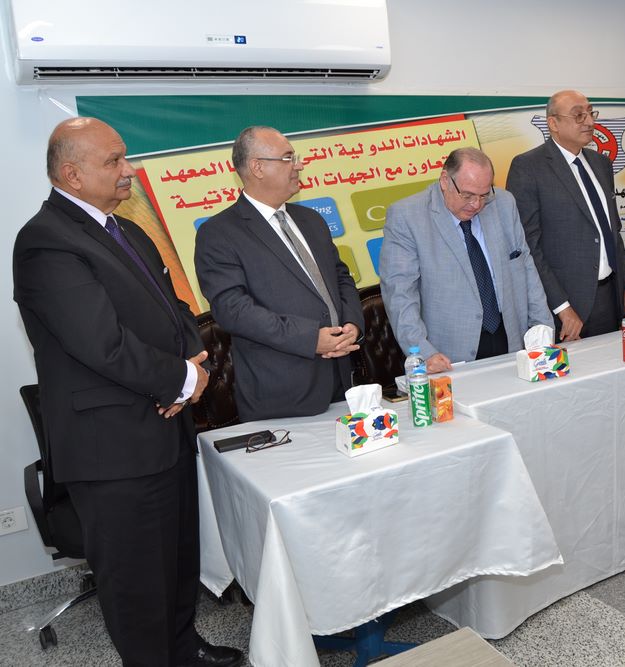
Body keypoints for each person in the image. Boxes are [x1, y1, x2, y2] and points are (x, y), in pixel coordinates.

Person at [12, 118, 242, 666]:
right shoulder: (45, 241)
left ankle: (183, 649)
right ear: (72, 174)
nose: (129, 170)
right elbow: (101, 343)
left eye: (125, 157)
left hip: (167, 425)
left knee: (178, 560)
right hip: (112, 446)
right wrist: (181, 379)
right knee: (136, 581)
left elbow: (177, 310)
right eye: (113, 160)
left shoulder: (127, 230)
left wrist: (192, 368)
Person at [195, 126, 364, 421]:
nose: (299, 165)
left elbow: (340, 277)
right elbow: (233, 310)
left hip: (341, 378)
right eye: (288, 158)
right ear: (257, 167)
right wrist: (309, 339)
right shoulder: (220, 233)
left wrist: (352, 324)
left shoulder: (311, 220)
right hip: (282, 393)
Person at [380, 147, 552, 372]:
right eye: (468, 195)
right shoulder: (407, 216)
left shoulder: (503, 203)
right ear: (445, 180)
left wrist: (543, 329)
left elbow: (525, 267)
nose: (476, 205)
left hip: (511, 339)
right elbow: (400, 296)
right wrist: (424, 353)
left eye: (484, 195)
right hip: (447, 353)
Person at [506, 90, 625, 340]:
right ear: (553, 123)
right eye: (578, 115)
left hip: (611, 297)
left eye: (590, 113)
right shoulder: (528, 167)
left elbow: (612, 232)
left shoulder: (601, 164)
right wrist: (562, 307)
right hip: (566, 308)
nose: (589, 121)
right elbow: (529, 246)